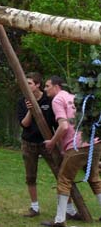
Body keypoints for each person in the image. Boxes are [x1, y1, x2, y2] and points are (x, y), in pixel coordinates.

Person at [41, 76, 101, 227]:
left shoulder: (57, 100)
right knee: (94, 179)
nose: (45, 89)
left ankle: (60, 220)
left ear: (56, 86)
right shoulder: (75, 97)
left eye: (47, 86)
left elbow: (64, 126)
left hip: (77, 145)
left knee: (64, 180)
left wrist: (52, 142)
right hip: (94, 142)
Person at [16, 72, 62, 218]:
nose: (26, 86)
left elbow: (57, 124)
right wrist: (31, 110)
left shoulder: (49, 100)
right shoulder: (22, 101)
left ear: (37, 85)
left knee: (60, 174)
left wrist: (57, 143)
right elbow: (24, 124)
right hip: (29, 143)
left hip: (47, 143)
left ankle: (67, 207)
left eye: (29, 83)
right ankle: (34, 207)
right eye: (25, 83)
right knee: (30, 176)